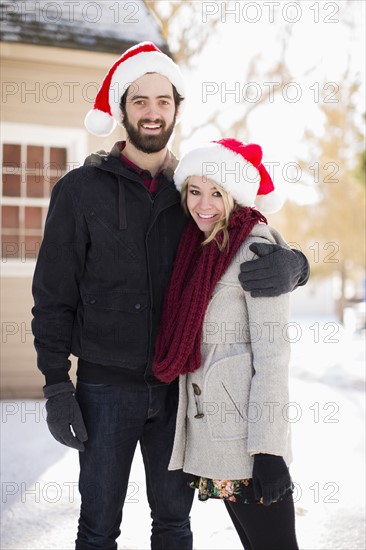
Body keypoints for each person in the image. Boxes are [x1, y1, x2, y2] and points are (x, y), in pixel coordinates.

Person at [31, 42, 307, 550]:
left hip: (177, 392)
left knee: (175, 526)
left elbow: (244, 236)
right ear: (122, 108)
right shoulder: (79, 190)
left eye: (163, 100)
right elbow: (52, 296)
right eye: (140, 100)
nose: (152, 112)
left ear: (177, 108)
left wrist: (297, 266)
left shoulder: (193, 192)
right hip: (102, 391)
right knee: (96, 529)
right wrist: (55, 385)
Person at [153, 138, 300, 550]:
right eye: (195, 191)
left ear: (234, 195)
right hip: (218, 438)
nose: (204, 204)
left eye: (217, 192)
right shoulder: (200, 246)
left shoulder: (255, 247)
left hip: (249, 444)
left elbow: (273, 357)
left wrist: (269, 451)